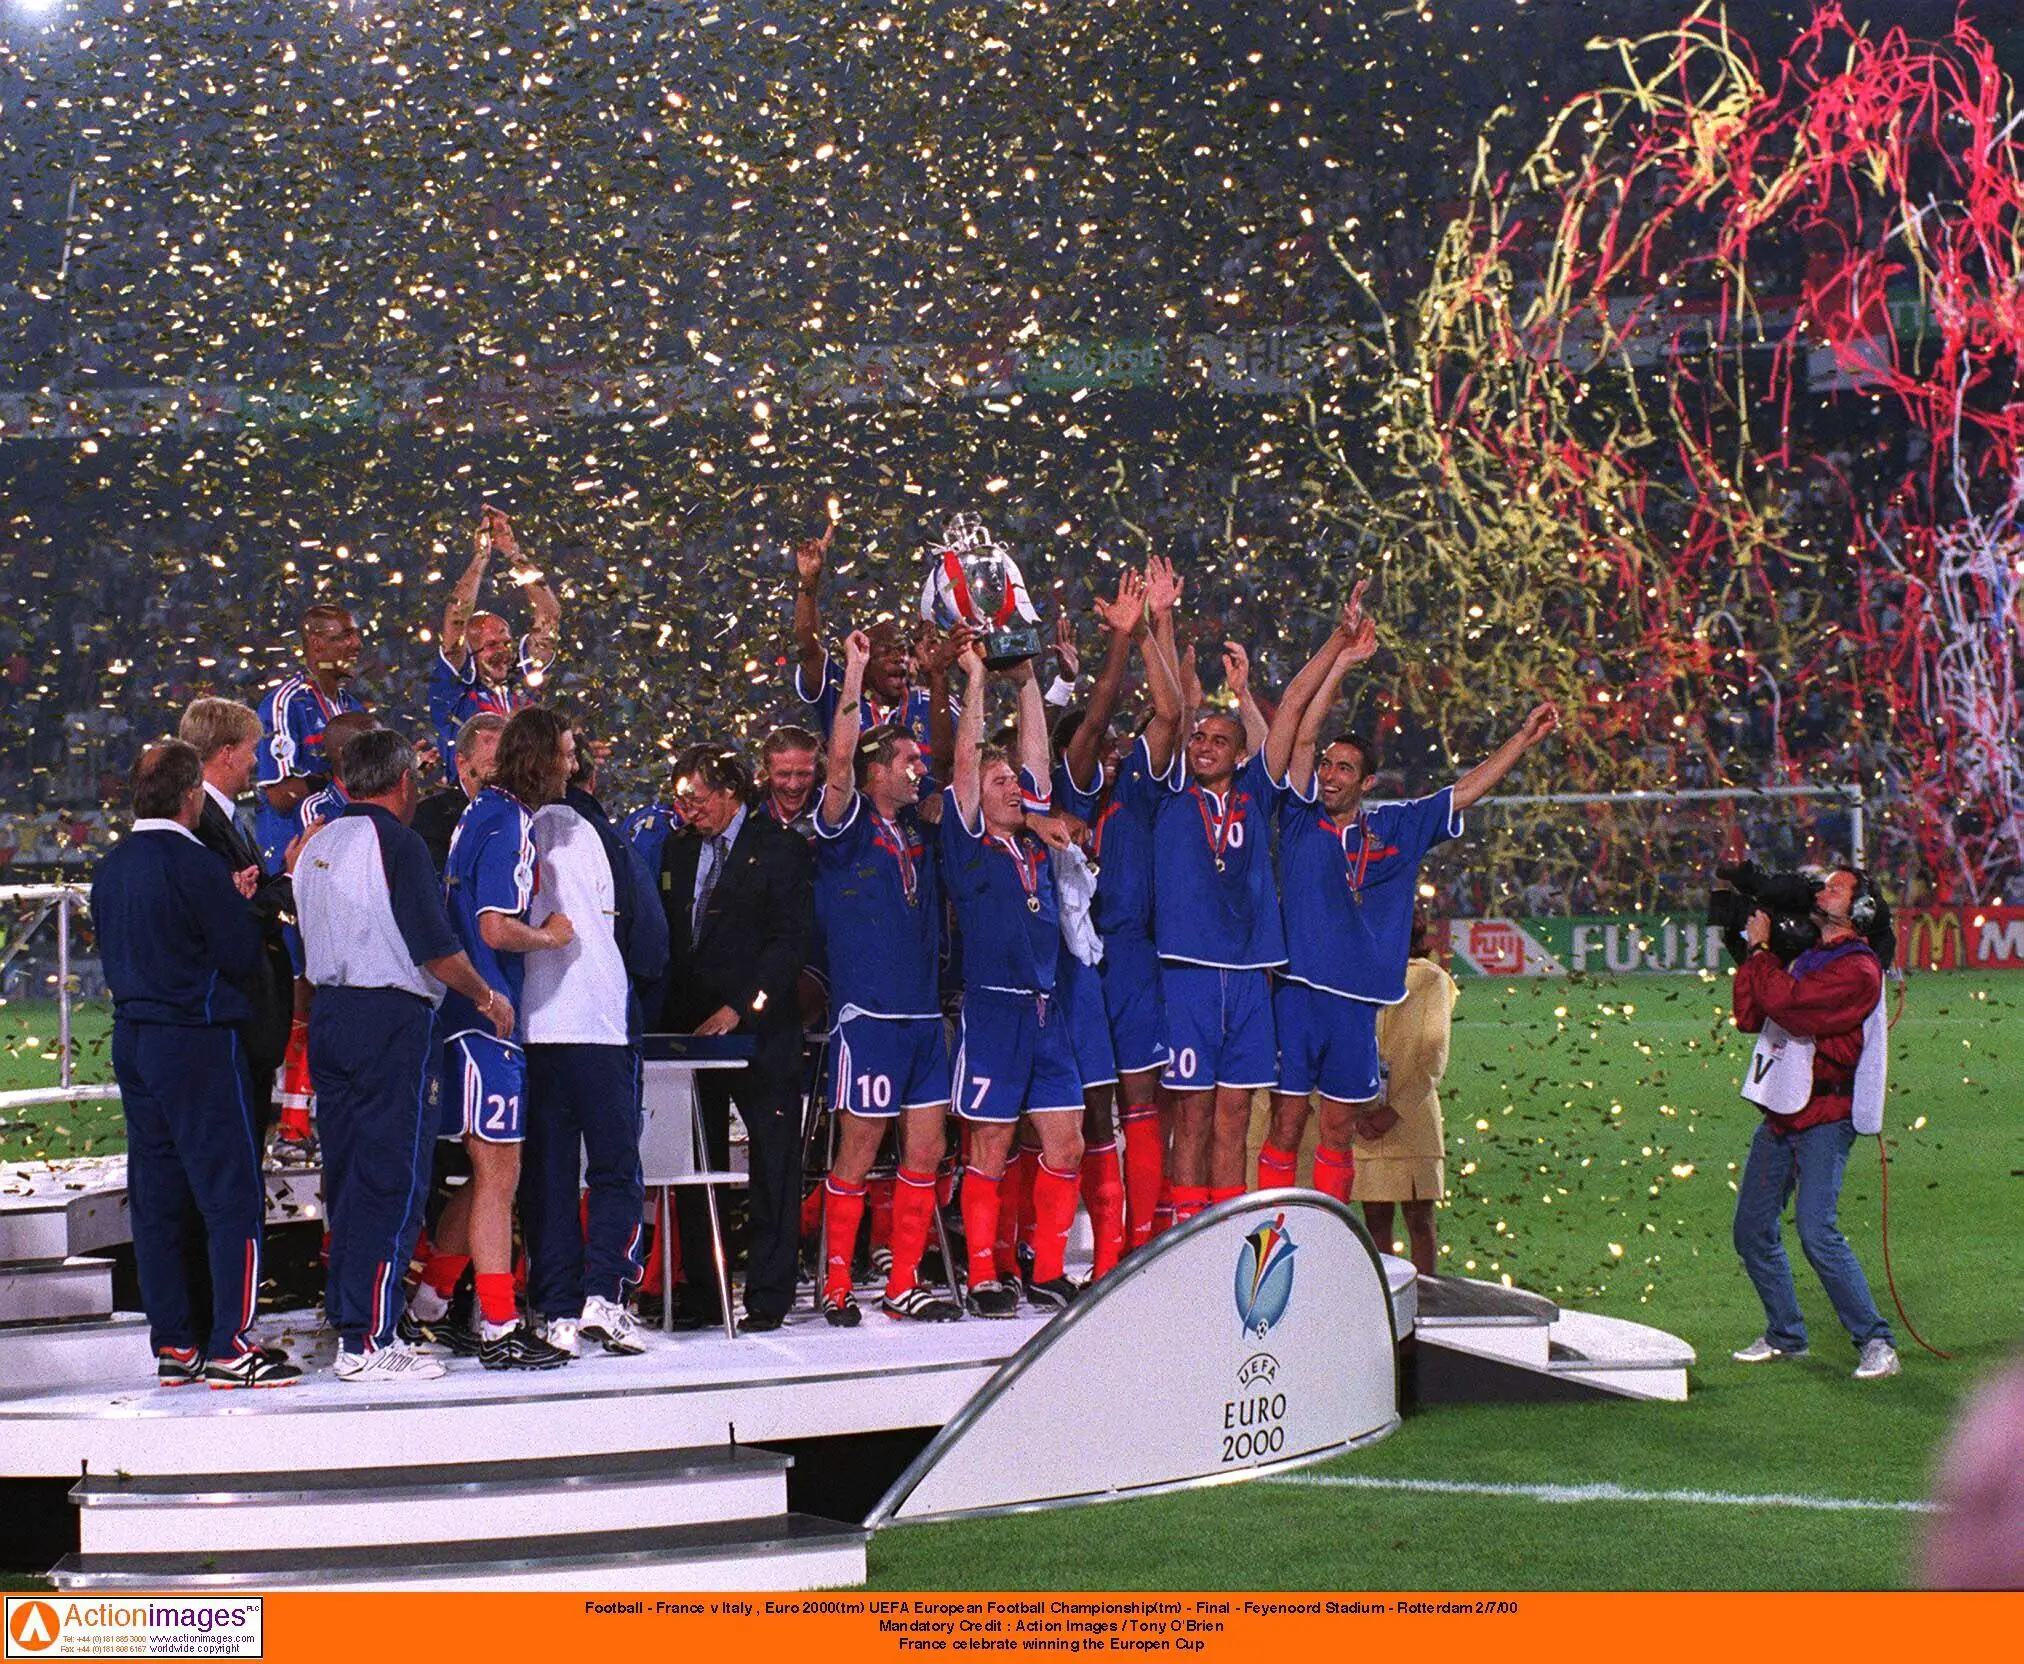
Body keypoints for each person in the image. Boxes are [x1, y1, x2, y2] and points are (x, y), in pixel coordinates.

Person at [1261, 608, 1555, 1211]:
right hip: (1295, 996)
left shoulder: (1396, 825)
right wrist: (1341, 659)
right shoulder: (1297, 818)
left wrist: (1521, 741)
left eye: (1345, 768)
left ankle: (1327, 1241)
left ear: (1367, 783)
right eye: (1326, 765)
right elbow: (1304, 733)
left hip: (1355, 1007)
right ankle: (1273, 1232)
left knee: (1338, 1133)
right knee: (1286, 1127)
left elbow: (1467, 788)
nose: (1330, 773)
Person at [294, 729, 513, 1381]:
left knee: (351, 1175)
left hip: (330, 1016)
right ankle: (371, 1339)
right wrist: (485, 996)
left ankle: (352, 1324)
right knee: (392, 1178)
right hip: (388, 1016)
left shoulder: (316, 845)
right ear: (401, 782)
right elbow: (433, 949)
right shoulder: (398, 844)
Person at [91, 742, 300, 1388]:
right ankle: (231, 1344)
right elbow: (240, 952)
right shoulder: (194, 862)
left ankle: (175, 1343)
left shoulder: (110, 868)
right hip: (199, 1040)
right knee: (230, 1192)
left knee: (155, 1196)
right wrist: (241, 902)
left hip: (136, 1040)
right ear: (189, 797)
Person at [407, 706, 576, 1369]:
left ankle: (432, 1306)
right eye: (564, 752)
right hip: (485, 1018)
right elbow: (496, 925)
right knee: (500, 1174)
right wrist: (552, 936)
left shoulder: (483, 812)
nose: (572, 764)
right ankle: (500, 1328)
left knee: (484, 1177)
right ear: (539, 756)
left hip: (466, 1016)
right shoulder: (509, 821)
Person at [811, 632, 963, 1325]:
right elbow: (839, 758)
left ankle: (903, 1281)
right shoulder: (843, 827)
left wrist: (954, 680)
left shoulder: (922, 831)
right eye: (905, 761)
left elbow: (958, 765)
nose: (917, 769)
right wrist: (855, 671)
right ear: (876, 773)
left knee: (926, 1149)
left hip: (923, 1018)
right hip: (868, 1018)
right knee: (860, 1148)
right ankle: (836, 1284)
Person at [940, 642, 1084, 1316]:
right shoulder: (968, 845)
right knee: (991, 1144)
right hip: (994, 1013)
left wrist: (1028, 684)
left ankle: (1047, 1268)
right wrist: (974, 681)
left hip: (1047, 1011)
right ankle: (983, 1273)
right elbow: (968, 763)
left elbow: (1036, 764)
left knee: (1066, 1140)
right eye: (999, 783)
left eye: (1012, 784)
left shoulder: (1034, 839)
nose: (1010, 788)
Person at [518, 728, 669, 1358]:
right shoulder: (605, 836)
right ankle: (604, 1299)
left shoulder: (512, 828)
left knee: (548, 1173)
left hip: (536, 1023)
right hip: (602, 1022)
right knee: (613, 1169)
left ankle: (556, 1312)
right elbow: (651, 942)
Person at [1049, 558, 1186, 1250]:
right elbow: (1100, 707)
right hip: (1078, 966)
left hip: (1132, 958)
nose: (1102, 753)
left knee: (1142, 1101)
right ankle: (1106, 1250)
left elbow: (1170, 713)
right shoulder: (1066, 794)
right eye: (1090, 746)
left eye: (1108, 748)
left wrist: (1154, 628)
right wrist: (1116, 649)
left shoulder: (1136, 790)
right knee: (1094, 1112)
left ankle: (1143, 1241)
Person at [655, 742, 813, 1332]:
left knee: (774, 1159)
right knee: (697, 1158)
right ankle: (705, 1287)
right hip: (690, 1033)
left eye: (696, 798)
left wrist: (743, 1009)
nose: (687, 809)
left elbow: (789, 942)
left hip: (759, 1030)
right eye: (680, 798)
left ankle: (769, 1295)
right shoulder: (675, 848)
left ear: (728, 794)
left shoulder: (782, 848)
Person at [1730, 868, 1899, 1381]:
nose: (1820, 892)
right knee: (1752, 1230)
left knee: (1816, 1232)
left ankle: (1876, 1341)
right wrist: (1761, 957)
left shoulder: (1859, 969)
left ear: (1861, 910)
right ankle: (1786, 1335)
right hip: (1785, 1108)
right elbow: (1749, 1014)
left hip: (1827, 1114)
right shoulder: (1806, 955)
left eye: (1835, 888)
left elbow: (1791, 1007)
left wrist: (1762, 957)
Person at [179, 698, 295, 1131]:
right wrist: (291, 879)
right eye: (251, 749)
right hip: (234, 1016)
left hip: (243, 1016)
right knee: (234, 1147)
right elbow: (236, 916)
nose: (255, 761)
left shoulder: (222, 817)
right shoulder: (202, 824)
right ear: (227, 753)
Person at [790, 524, 957, 789]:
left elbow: (949, 761)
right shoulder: (841, 691)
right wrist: (809, 582)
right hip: (857, 820)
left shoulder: (930, 700)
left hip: (921, 823)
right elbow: (807, 648)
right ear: (864, 659)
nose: (898, 658)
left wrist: (938, 677)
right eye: (886, 651)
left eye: (903, 650)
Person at [1354, 912, 1458, 1275]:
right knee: (1375, 1218)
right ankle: (1389, 1300)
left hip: (1411, 1117)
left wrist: (1393, 1111)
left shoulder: (1431, 981)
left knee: (1420, 1217)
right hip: (1363, 1115)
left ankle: (1428, 1299)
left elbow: (1434, 1056)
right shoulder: (1355, 974)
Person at [429, 506, 561, 776]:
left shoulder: (522, 681)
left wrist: (513, 552)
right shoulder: (456, 689)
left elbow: (549, 614)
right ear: (470, 651)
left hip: (528, 795)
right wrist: (480, 558)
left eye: (506, 643)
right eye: (490, 645)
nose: (502, 652)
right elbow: (456, 619)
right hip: (473, 798)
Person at [254, 602, 367, 872]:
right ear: (317, 644)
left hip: (345, 853)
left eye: (357, 635)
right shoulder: (284, 704)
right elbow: (280, 796)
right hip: (296, 863)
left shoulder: (353, 707)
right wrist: (336, 773)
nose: (357, 644)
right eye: (346, 636)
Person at [413, 710, 507, 875]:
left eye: (509, 764)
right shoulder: (429, 819)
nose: (503, 775)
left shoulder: (527, 812)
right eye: (493, 765)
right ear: (462, 764)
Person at [297, 709, 379, 831]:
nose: (384, 751)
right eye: (373, 745)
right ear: (342, 753)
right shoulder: (318, 808)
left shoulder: (395, 790)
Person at [757, 725, 822, 835]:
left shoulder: (831, 813)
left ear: (817, 770)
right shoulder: (748, 814)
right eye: (783, 774)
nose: (793, 785)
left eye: (803, 774)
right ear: (766, 771)